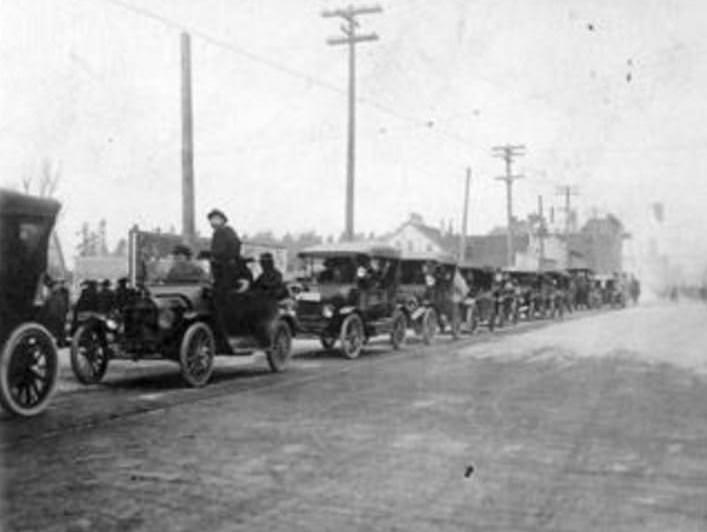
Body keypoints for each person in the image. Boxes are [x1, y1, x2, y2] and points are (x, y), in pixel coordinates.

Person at [208, 209, 242, 292]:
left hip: (225, 268)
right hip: (223, 267)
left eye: (216, 219)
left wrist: (213, 255)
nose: (213, 221)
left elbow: (223, 250)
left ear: (223, 220)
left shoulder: (224, 231)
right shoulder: (223, 232)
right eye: (212, 219)